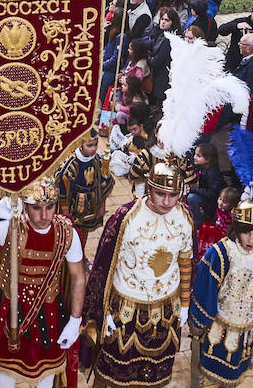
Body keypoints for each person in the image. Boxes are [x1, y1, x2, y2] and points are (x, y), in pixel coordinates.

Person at [0, 176, 85, 388]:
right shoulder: (11, 226)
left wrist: (75, 321)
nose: (44, 215)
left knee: (46, 375)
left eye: (50, 207)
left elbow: (78, 277)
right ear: (24, 205)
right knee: (6, 373)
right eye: (36, 208)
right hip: (9, 311)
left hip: (48, 311)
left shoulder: (67, 233)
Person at [81, 158, 193, 388]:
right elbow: (103, 268)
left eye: (173, 195)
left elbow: (186, 260)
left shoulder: (184, 217)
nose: (167, 201)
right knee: (114, 375)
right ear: (149, 189)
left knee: (155, 375)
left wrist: (184, 303)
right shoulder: (124, 217)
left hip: (166, 312)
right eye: (161, 193)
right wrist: (102, 311)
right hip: (125, 310)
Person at [189, 200, 253, 387]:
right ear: (236, 229)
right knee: (199, 362)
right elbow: (204, 287)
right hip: (215, 324)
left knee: (234, 369)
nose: (251, 240)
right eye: (246, 232)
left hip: (245, 328)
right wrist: (201, 320)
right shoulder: (221, 252)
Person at [55, 130, 114, 247]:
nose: (94, 148)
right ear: (80, 145)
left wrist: (101, 206)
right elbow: (61, 188)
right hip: (73, 207)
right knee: (68, 235)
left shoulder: (97, 160)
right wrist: (65, 212)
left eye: (96, 144)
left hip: (90, 207)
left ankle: (81, 253)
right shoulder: (70, 165)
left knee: (83, 234)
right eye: (89, 145)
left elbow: (103, 184)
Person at [219, 2, 253, 72]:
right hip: (233, 62)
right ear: (251, 12)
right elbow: (221, 30)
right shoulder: (241, 21)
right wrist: (236, 26)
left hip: (252, 67)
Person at [188, 142, 225, 228]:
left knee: (192, 198)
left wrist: (192, 190)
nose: (194, 157)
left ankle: (198, 223)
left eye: (198, 156)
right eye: (195, 154)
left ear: (208, 159)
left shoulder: (213, 173)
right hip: (207, 198)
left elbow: (212, 194)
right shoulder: (202, 168)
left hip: (212, 203)